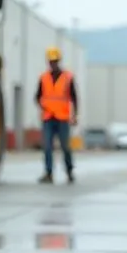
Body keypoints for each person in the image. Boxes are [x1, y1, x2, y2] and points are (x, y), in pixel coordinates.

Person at [35, 46, 78, 183]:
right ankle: (48, 173)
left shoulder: (68, 77)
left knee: (65, 146)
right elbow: (38, 96)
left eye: (55, 61)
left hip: (62, 118)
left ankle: (69, 170)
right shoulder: (43, 78)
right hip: (48, 118)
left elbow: (74, 97)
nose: (53, 64)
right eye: (51, 61)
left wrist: (75, 115)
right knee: (47, 146)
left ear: (58, 61)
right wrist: (43, 107)